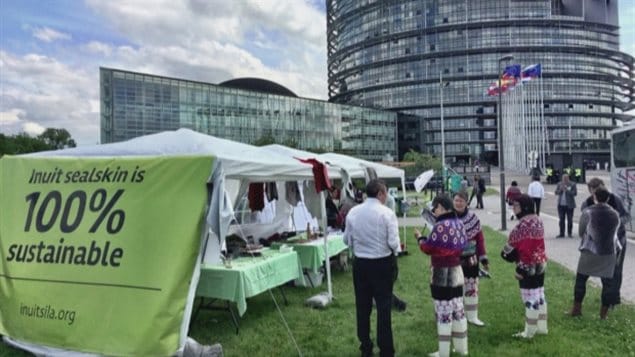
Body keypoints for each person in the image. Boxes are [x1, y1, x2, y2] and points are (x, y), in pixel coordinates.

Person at [343, 179, 399, 357]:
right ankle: (386, 349)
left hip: (361, 264)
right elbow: (393, 243)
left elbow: (347, 240)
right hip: (381, 263)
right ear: (381, 193)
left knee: (362, 306)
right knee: (383, 307)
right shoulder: (387, 213)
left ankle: (365, 346)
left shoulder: (353, 212)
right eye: (386, 193)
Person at [415, 194, 468, 356]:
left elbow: (428, 248)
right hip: (457, 271)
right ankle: (461, 348)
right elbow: (464, 245)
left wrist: (420, 239)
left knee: (443, 312)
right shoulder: (459, 223)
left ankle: (443, 352)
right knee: (458, 309)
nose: (434, 211)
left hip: (441, 274)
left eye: (435, 208)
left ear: (441, 207)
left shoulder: (440, 226)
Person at [569, 187, 620, 319]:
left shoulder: (588, 212)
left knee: (581, 280)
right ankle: (603, 314)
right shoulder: (615, 214)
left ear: (594, 197)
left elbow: (581, 232)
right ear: (608, 198)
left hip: (590, 251)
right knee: (607, 284)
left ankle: (576, 309)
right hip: (608, 253)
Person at [501, 194, 548, 338]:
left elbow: (526, 248)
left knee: (530, 298)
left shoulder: (524, 225)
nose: (513, 208)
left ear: (524, 207)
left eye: (516, 205)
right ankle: (542, 327)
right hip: (541, 262)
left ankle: (529, 332)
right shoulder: (537, 220)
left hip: (528, 265)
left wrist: (521, 269)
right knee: (539, 295)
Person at [580, 178, 630, 309]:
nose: (599, 194)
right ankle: (606, 300)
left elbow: (626, 216)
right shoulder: (587, 203)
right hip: (600, 243)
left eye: (601, 189)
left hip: (619, 240)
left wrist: (616, 223)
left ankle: (613, 300)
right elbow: (584, 221)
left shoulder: (615, 199)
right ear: (591, 192)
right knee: (604, 272)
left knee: (616, 271)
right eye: (595, 191)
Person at [453, 190, 488, 327]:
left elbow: (480, 239)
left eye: (461, 201)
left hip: (471, 260)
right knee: (456, 288)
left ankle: (472, 317)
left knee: (471, 287)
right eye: (456, 200)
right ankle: (458, 315)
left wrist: (484, 258)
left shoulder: (473, 219)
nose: (458, 203)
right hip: (453, 260)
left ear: (467, 202)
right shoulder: (448, 218)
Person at [555, 174, 577, 238]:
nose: (564, 180)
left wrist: (567, 190)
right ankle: (562, 233)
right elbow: (556, 192)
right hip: (561, 205)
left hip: (569, 205)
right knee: (561, 219)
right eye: (563, 179)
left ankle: (569, 233)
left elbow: (575, 193)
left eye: (565, 179)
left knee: (570, 220)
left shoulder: (572, 184)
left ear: (568, 179)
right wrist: (561, 190)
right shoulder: (559, 184)